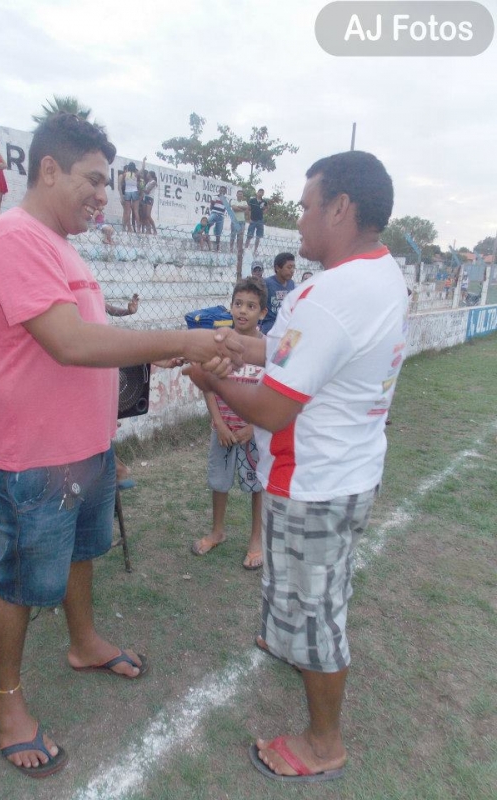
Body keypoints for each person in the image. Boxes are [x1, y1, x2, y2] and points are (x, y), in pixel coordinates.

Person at [0, 111, 242, 778]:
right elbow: (72, 344)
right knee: (20, 581)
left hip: (84, 447)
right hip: (35, 457)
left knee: (85, 553)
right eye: (94, 179)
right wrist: (180, 340)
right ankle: (6, 701)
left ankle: (84, 642)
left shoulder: (62, 247)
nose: (105, 195)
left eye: (110, 182)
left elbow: (93, 345)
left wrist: (164, 352)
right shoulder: (14, 238)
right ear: (50, 169)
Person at [185, 150, 408, 783]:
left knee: (318, 610)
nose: (301, 220)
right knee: (310, 590)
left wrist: (211, 378)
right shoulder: (376, 273)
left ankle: (323, 743)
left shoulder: (333, 293)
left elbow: (275, 409)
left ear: (342, 208)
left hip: (314, 480)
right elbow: (303, 353)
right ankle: (286, 638)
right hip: (347, 470)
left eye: (308, 206)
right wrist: (241, 345)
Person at [191, 278, 267, 570]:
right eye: (238, 304)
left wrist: (255, 428)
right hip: (222, 430)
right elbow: (208, 386)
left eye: (251, 306)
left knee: (257, 486)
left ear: (262, 313)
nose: (243, 311)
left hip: (253, 433)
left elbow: (272, 392)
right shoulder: (219, 343)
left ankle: (255, 539)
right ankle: (217, 531)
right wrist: (218, 423)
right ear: (231, 306)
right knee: (219, 482)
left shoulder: (266, 348)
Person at [260, 252, 296, 334]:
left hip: (287, 325)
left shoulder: (292, 284)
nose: (292, 271)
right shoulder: (266, 284)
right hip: (271, 326)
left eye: (293, 267)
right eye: (289, 267)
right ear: (277, 268)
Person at [245, 188, 268, 254]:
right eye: (260, 192)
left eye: (262, 192)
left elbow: (266, 209)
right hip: (253, 220)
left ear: (263, 194)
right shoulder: (252, 200)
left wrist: (263, 211)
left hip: (260, 220)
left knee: (258, 236)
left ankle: (255, 250)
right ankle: (246, 248)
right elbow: (248, 209)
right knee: (249, 235)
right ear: (257, 193)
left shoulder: (264, 202)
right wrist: (249, 219)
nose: (261, 193)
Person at [120, 161, 141, 233]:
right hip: (135, 191)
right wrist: (144, 161)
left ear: (128, 167)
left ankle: (126, 228)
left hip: (127, 192)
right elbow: (143, 168)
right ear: (134, 168)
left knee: (128, 211)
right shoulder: (136, 174)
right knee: (136, 211)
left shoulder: (125, 174)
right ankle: (138, 229)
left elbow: (121, 184)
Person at [207, 187, 227, 251]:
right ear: (219, 191)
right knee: (208, 222)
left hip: (221, 216)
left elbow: (225, 209)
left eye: (223, 191)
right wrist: (213, 211)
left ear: (225, 192)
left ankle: (217, 248)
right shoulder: (215, 197)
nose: (222, 191)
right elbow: (211, 205)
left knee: (219, 232)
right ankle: (205, 235)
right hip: (214, 213)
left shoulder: (225, 199)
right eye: (221, 190)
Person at [140, 165, 158, 235]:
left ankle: (154, 229)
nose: (147, 175)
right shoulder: (148, 182)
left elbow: (148, 191)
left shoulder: (153, 182)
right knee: (145, 215)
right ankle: (148, 229)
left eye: (148, 174)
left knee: (148, 215)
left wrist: (142, 188)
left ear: (150, 175)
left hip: (150, 198)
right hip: (145, 198)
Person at [230, 189, 249, 254]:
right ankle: (231, 249)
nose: (240, 195)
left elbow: (246, 208)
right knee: (233, 235)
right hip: (235, 221)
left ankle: (238, 250)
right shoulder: (233, 201)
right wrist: (242, 209)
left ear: (242, 195)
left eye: (241, 194)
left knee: (240, 236)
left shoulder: (245, 202)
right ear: (236, 195)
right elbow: (234, 209)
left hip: (242, 221)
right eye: (239, 194)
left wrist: (238, 207)